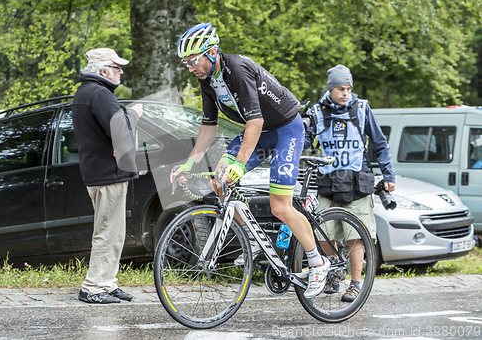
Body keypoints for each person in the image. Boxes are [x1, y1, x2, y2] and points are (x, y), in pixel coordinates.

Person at [170, 22, 329, 298]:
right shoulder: (206, 79)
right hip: (260, 130)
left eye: (193, 60)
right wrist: (190, 162)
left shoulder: (237, 69)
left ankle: (318, 262)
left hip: (285, 130)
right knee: (218, 181)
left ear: (211, 52)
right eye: (186, 63)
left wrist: (240, 165)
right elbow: (209, 125)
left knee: (280, 206)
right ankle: (253, 240)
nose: (190, 67)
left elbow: (255, 120)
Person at [305, 64, 395, 302]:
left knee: (356, 236)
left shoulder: (362, 108)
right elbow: (304, 141)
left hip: (357, 184)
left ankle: (355, 284)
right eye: (340, 89)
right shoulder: (316, 112)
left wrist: (388, 175)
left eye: (348, 88)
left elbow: (380, 143)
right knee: (322, 232)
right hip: (327, 183)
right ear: (330, 89)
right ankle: (334, 269)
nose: (345, 93)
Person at [72, 48, 143, 304]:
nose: (121, 71)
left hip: (97, 172)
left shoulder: (85, 92)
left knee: (114, 231)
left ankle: (108, 282)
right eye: (116, 66)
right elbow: (121, 131)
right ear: (103, 71)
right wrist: (134, 112)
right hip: (108, 174)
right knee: (108, 232)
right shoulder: (100, 94)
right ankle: (93, 288)